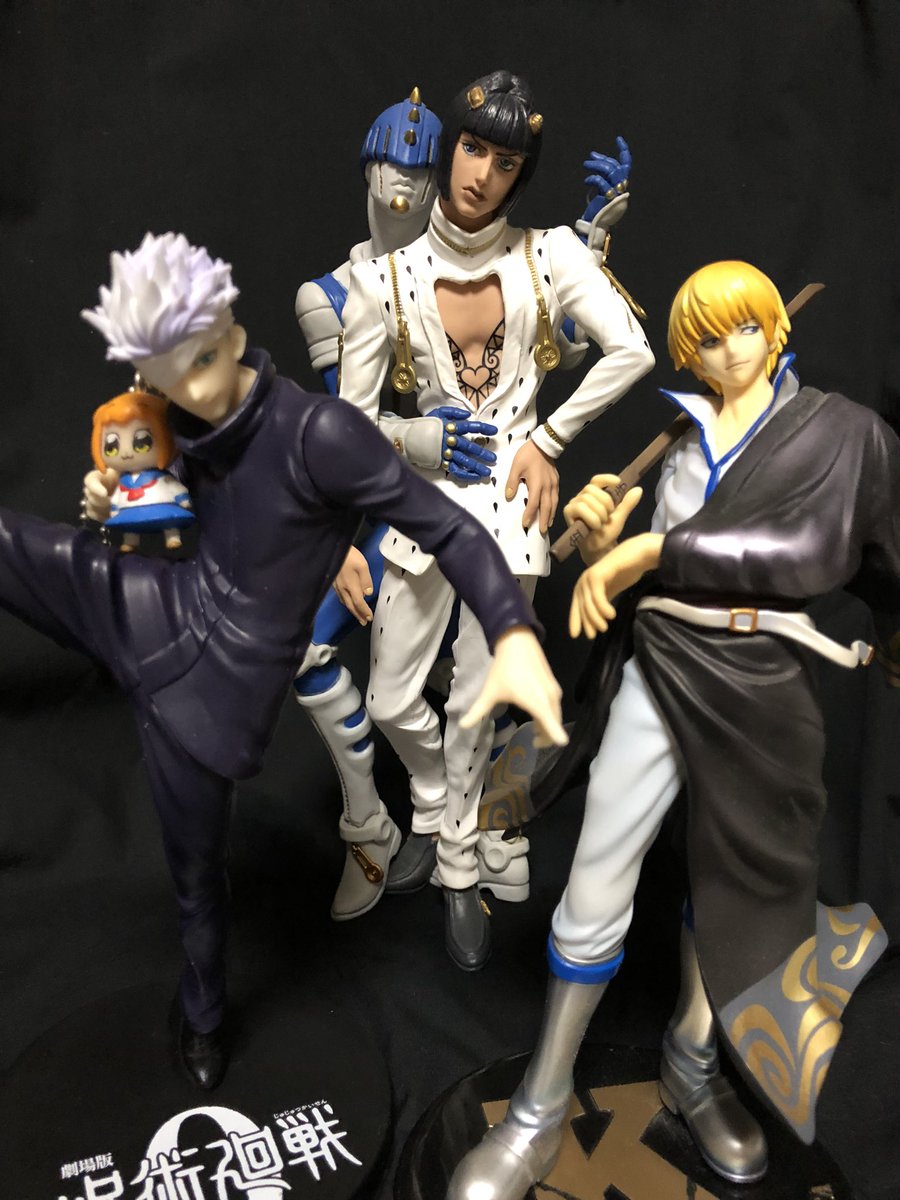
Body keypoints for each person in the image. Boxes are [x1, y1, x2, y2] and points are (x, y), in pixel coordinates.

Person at [0, 231, 566, 1092]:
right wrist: (115, 504)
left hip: (216, 693)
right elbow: (169, 514)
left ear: (231, 329)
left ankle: (203, 1017)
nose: (191, 390)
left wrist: (513, 632)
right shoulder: (166, 417)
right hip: (142, 605)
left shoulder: (320, 433)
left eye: (201, 360)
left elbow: (449, 528)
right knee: (15, 547)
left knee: (196, 877)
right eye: (166, 377)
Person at [448, 260, 900, 1198]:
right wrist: (608, 542)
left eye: (745, 329)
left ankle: (692, 1064)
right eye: (706, 340)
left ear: (775, 327)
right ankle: (540, 1102)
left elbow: (813, 551)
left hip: (763, 687)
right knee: (598, 871)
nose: (729, 353)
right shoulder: (687, 436)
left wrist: (653, 548)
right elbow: (654, 576)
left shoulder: (840, 433)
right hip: (662, 666)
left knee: (739, 887)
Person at [336, 69, 654, 971]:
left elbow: (631, 349)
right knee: (392, 697)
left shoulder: (549, 256)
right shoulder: (384, 279)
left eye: (505, 161)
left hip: (511, 511)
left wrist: (548, 439)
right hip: (419, 510)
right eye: (473, 148)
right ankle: (439, 806)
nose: (481, 175)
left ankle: (457, 863)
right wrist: (415, 438)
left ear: (521, 174)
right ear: (450, 147)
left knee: (477, 698)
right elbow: (348, 426)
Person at [90, 388, 194, 551]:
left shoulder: (162, 476)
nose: (126, 453)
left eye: (142, 442)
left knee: (170, 522)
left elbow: (174, 486)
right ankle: (130, 541)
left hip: (163, 509)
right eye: (112, 447)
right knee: (130, 526)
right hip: (130, 511)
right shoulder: (124, 480)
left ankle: (172, 537)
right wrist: (115, 508)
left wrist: (182, 498)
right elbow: (117, 496)